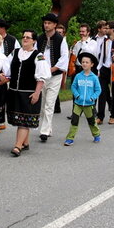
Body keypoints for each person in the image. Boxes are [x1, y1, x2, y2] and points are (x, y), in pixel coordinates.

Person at [5, 30, 50, 157]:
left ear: (34, 41)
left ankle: (17, 146)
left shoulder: (38, 56)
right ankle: (25, 142)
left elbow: (41, 77)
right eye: (23, 36)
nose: (25, 39)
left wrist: (37, 93)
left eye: (28, 37)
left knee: (24, 121)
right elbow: (6, 68)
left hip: (29, 93)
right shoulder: (15, 52)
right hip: (14, 92)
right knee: (21, 119)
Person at [37, 13, 69, 142]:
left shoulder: (60, 39)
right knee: (43, 103)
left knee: (50, 104)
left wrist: (53, 69)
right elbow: (37, 53)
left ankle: (44, 131)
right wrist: (42, 65)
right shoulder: (40, 39)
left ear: (55, 25)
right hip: (42, 76)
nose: (46, 25)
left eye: (49, 23)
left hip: (55, 76)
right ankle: (48, 127)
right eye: (45, 23)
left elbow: (64, 57)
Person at [64, 53, 102, 146]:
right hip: (78, 103)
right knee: (74, 121)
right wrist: (77, 96)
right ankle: (70, 138)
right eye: (83, 62)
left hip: (89, 105)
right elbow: (73, 87)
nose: (84, 64)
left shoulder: (94, 78)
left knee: (92, 122)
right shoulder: (78, 76)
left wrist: (92, 98)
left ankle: (96, 134)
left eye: (87, 62)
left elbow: (98, 90)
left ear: (91, 64)